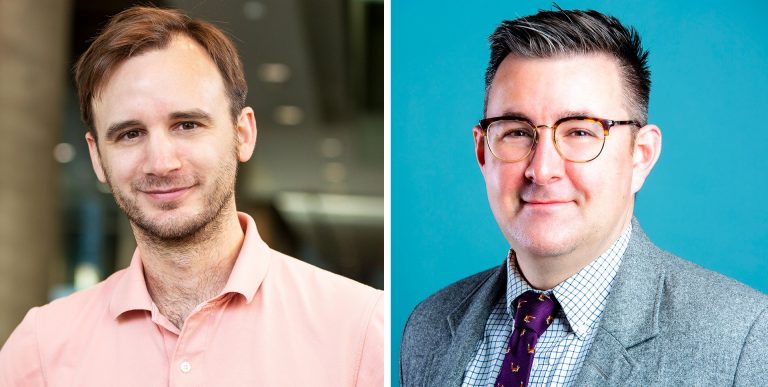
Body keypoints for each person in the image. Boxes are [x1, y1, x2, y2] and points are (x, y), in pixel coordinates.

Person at [0, 6, 383, 386]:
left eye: (187, 124)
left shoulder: (360, 329)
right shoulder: (40, 350)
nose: (161, 162)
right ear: (97, 157)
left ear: (243, 134)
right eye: (130, 133)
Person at [400, 8, 767, 386]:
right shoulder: (427, 326)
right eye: (517, 132)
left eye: (579, 132)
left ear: (640, 156)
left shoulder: (743, 339)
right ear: (483, 152)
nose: (542, 170)